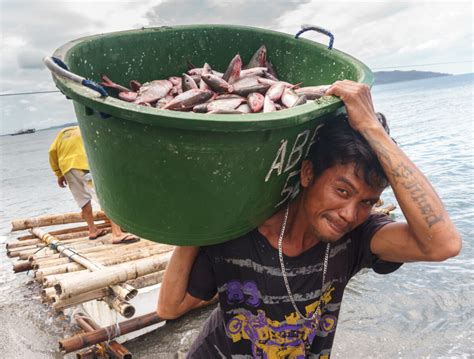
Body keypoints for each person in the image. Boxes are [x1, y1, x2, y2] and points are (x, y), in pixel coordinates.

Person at [157, 80, 461, 358]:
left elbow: (442, 245)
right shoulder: (241, 233)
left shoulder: (356, 239)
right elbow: (170, 307)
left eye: (367, 202)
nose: (350, 213)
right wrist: (198, 224)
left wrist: (372, 129)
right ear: (307, 173)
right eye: (342, 190)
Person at [49, 126, 139, 243]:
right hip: (83, 165)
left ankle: (92, 230)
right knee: (106, 197)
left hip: (67, 168)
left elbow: (51, 152)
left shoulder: (61, 134)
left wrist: (59, 174)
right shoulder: (87, 129)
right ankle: (117, 233)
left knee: (83, 200)